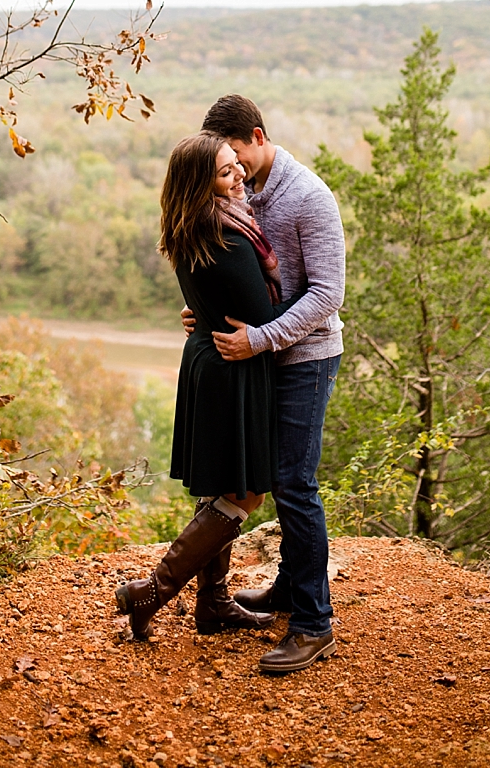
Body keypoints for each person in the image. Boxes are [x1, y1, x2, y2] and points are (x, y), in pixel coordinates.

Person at [184, 94, 345, 674]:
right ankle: (284, 590)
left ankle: (313, 624)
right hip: (258, 360)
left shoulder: (309, 197)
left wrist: (261, 337)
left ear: (256, 135)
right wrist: (205, 314)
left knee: (294, 484)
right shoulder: (239, 191)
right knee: (264, 478)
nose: (232, 173)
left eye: (236, 158)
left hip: (306, 358)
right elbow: (236, 274)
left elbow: (328, 295)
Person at [115, 131, 297, 641]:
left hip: (207, 359)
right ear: (202, 184)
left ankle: (213, 604)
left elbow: (213, 299)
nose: (238, 173)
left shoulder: (190, 227)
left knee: (223, 485)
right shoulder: (229, 236)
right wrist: (310, 309)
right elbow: (262, 317)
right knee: (247, 492)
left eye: (235, 164)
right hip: (232, 367)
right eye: (224, 171)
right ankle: (151, 590)